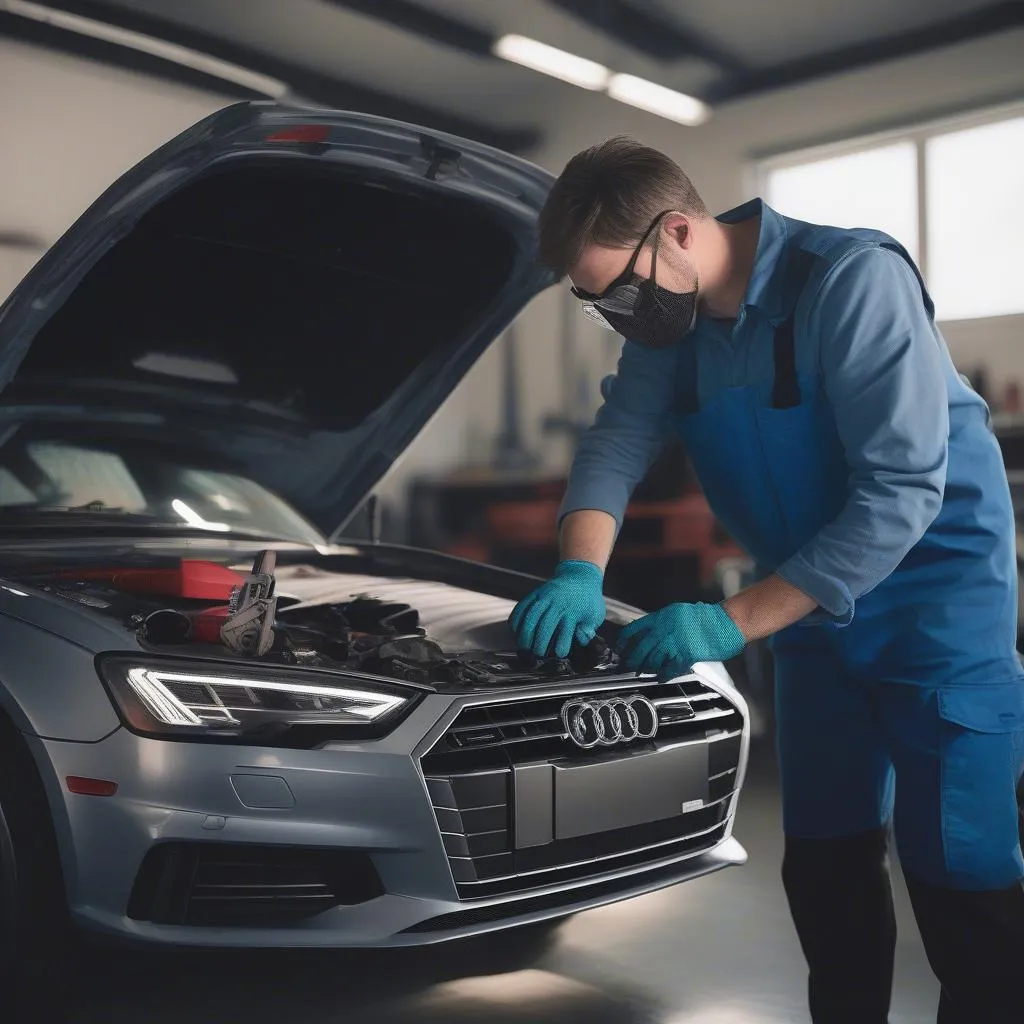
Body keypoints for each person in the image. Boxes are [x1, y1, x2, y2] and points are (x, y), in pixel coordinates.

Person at [508, 137, 1024, 1024]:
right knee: (825, 865)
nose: (616, 315)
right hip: (806, 614)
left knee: (962, 877)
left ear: (677, 231)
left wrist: (728, 622)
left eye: (617, 291)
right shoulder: (671, 319)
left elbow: (901, 489)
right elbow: (619, 440)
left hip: (936, 607)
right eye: (597, 305)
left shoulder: (851, 281)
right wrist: (577, 569)